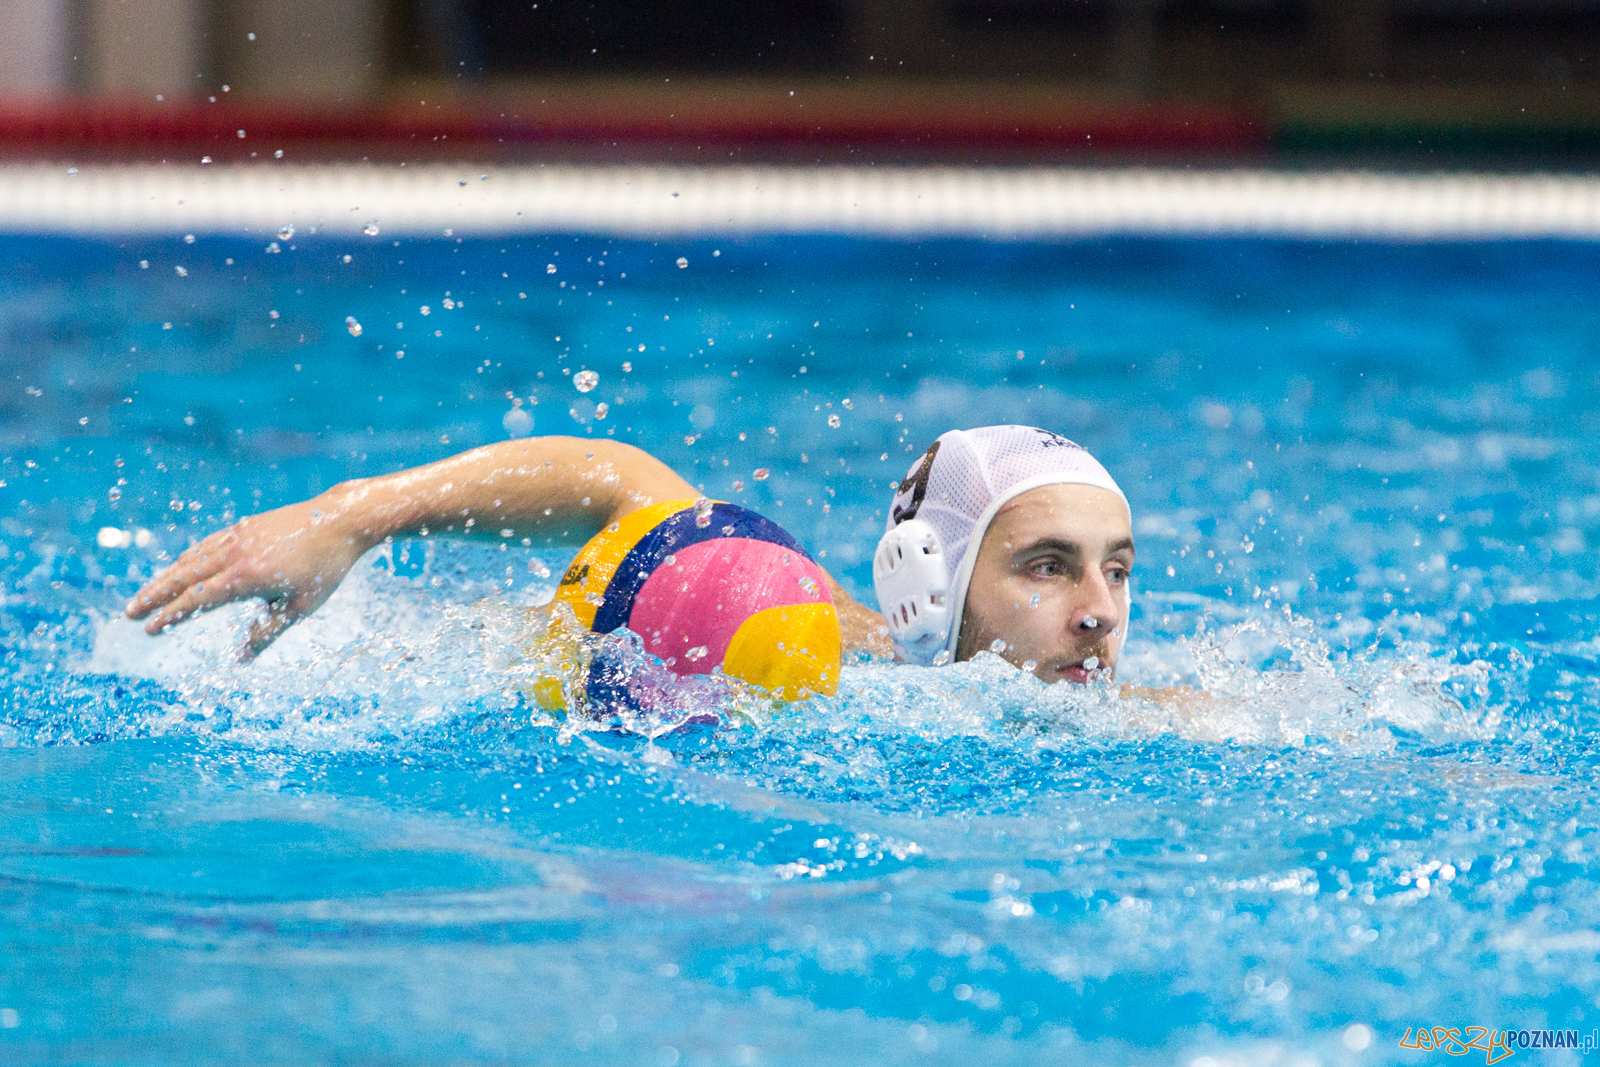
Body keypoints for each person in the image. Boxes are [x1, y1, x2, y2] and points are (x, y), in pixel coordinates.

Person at [126, 425, 1135, 687]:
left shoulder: (1160, 721)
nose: (1097, 609)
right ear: (930, 581)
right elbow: (621, 478)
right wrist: (348, 516)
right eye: (1046, 565)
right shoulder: (806, 631)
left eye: (1117, 567)